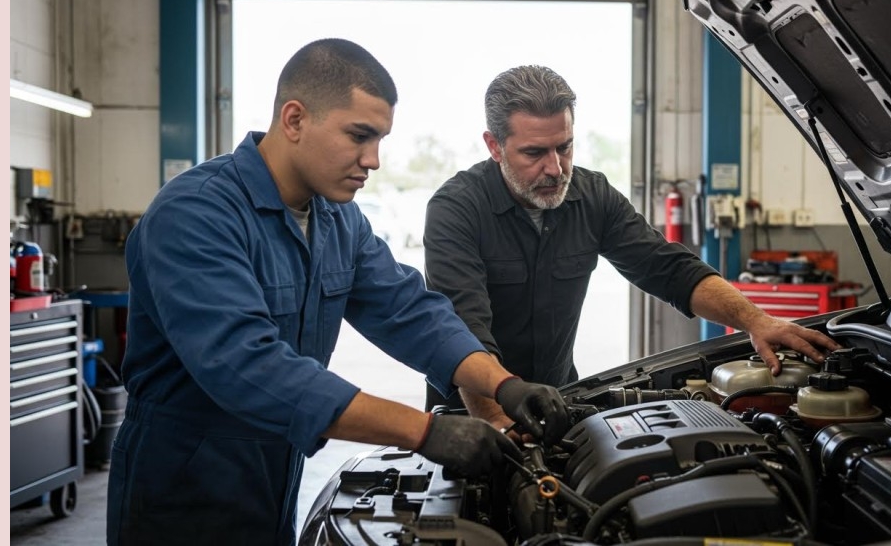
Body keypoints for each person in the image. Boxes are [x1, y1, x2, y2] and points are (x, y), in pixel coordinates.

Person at [106, 40, 566, 545]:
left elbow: (408, 310)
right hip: (181, 494)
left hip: (274, 478)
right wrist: (424, 431)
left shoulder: (337, 218)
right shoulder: (196, 214)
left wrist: (504, 385)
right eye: (359, 136)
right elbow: (247, 366)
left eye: (380, 139)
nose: (373, 160)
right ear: (296, 119)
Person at [424, 65, 841, 412]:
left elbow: (668, 267)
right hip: (469, 411)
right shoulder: (456, 209)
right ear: (495, 146)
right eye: (534, 153)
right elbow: (464, 331)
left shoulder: (593, 196)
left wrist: (756, 320)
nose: (555, 168)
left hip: (556, 397)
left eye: (565, 148)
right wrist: (497, 424)